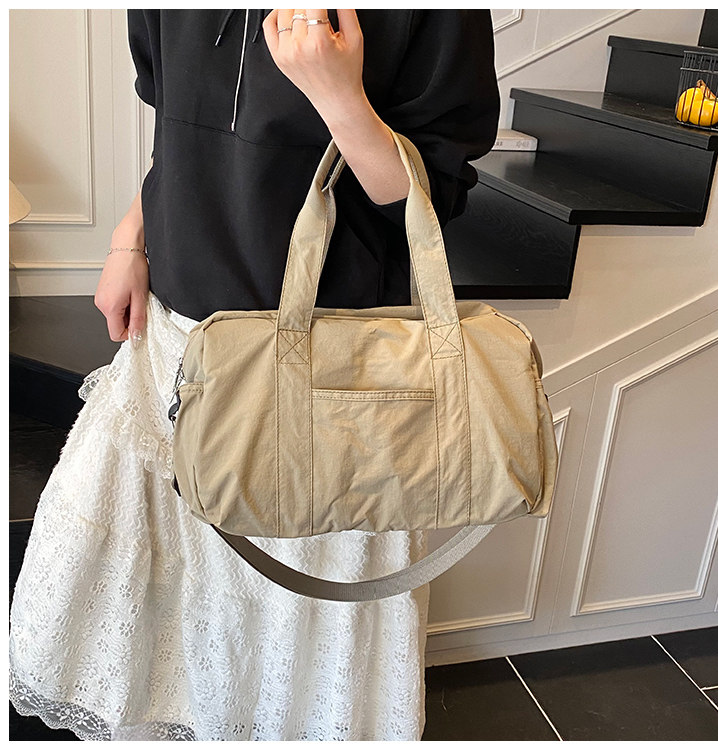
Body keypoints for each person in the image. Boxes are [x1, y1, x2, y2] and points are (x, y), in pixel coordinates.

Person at [9, 9, 499, 741]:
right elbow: (176, 129)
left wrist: (337, 95)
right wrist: (128, 241)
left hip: (321, 376)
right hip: (171, 343)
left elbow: (428, 195)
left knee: (285, 648)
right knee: (160, 622)